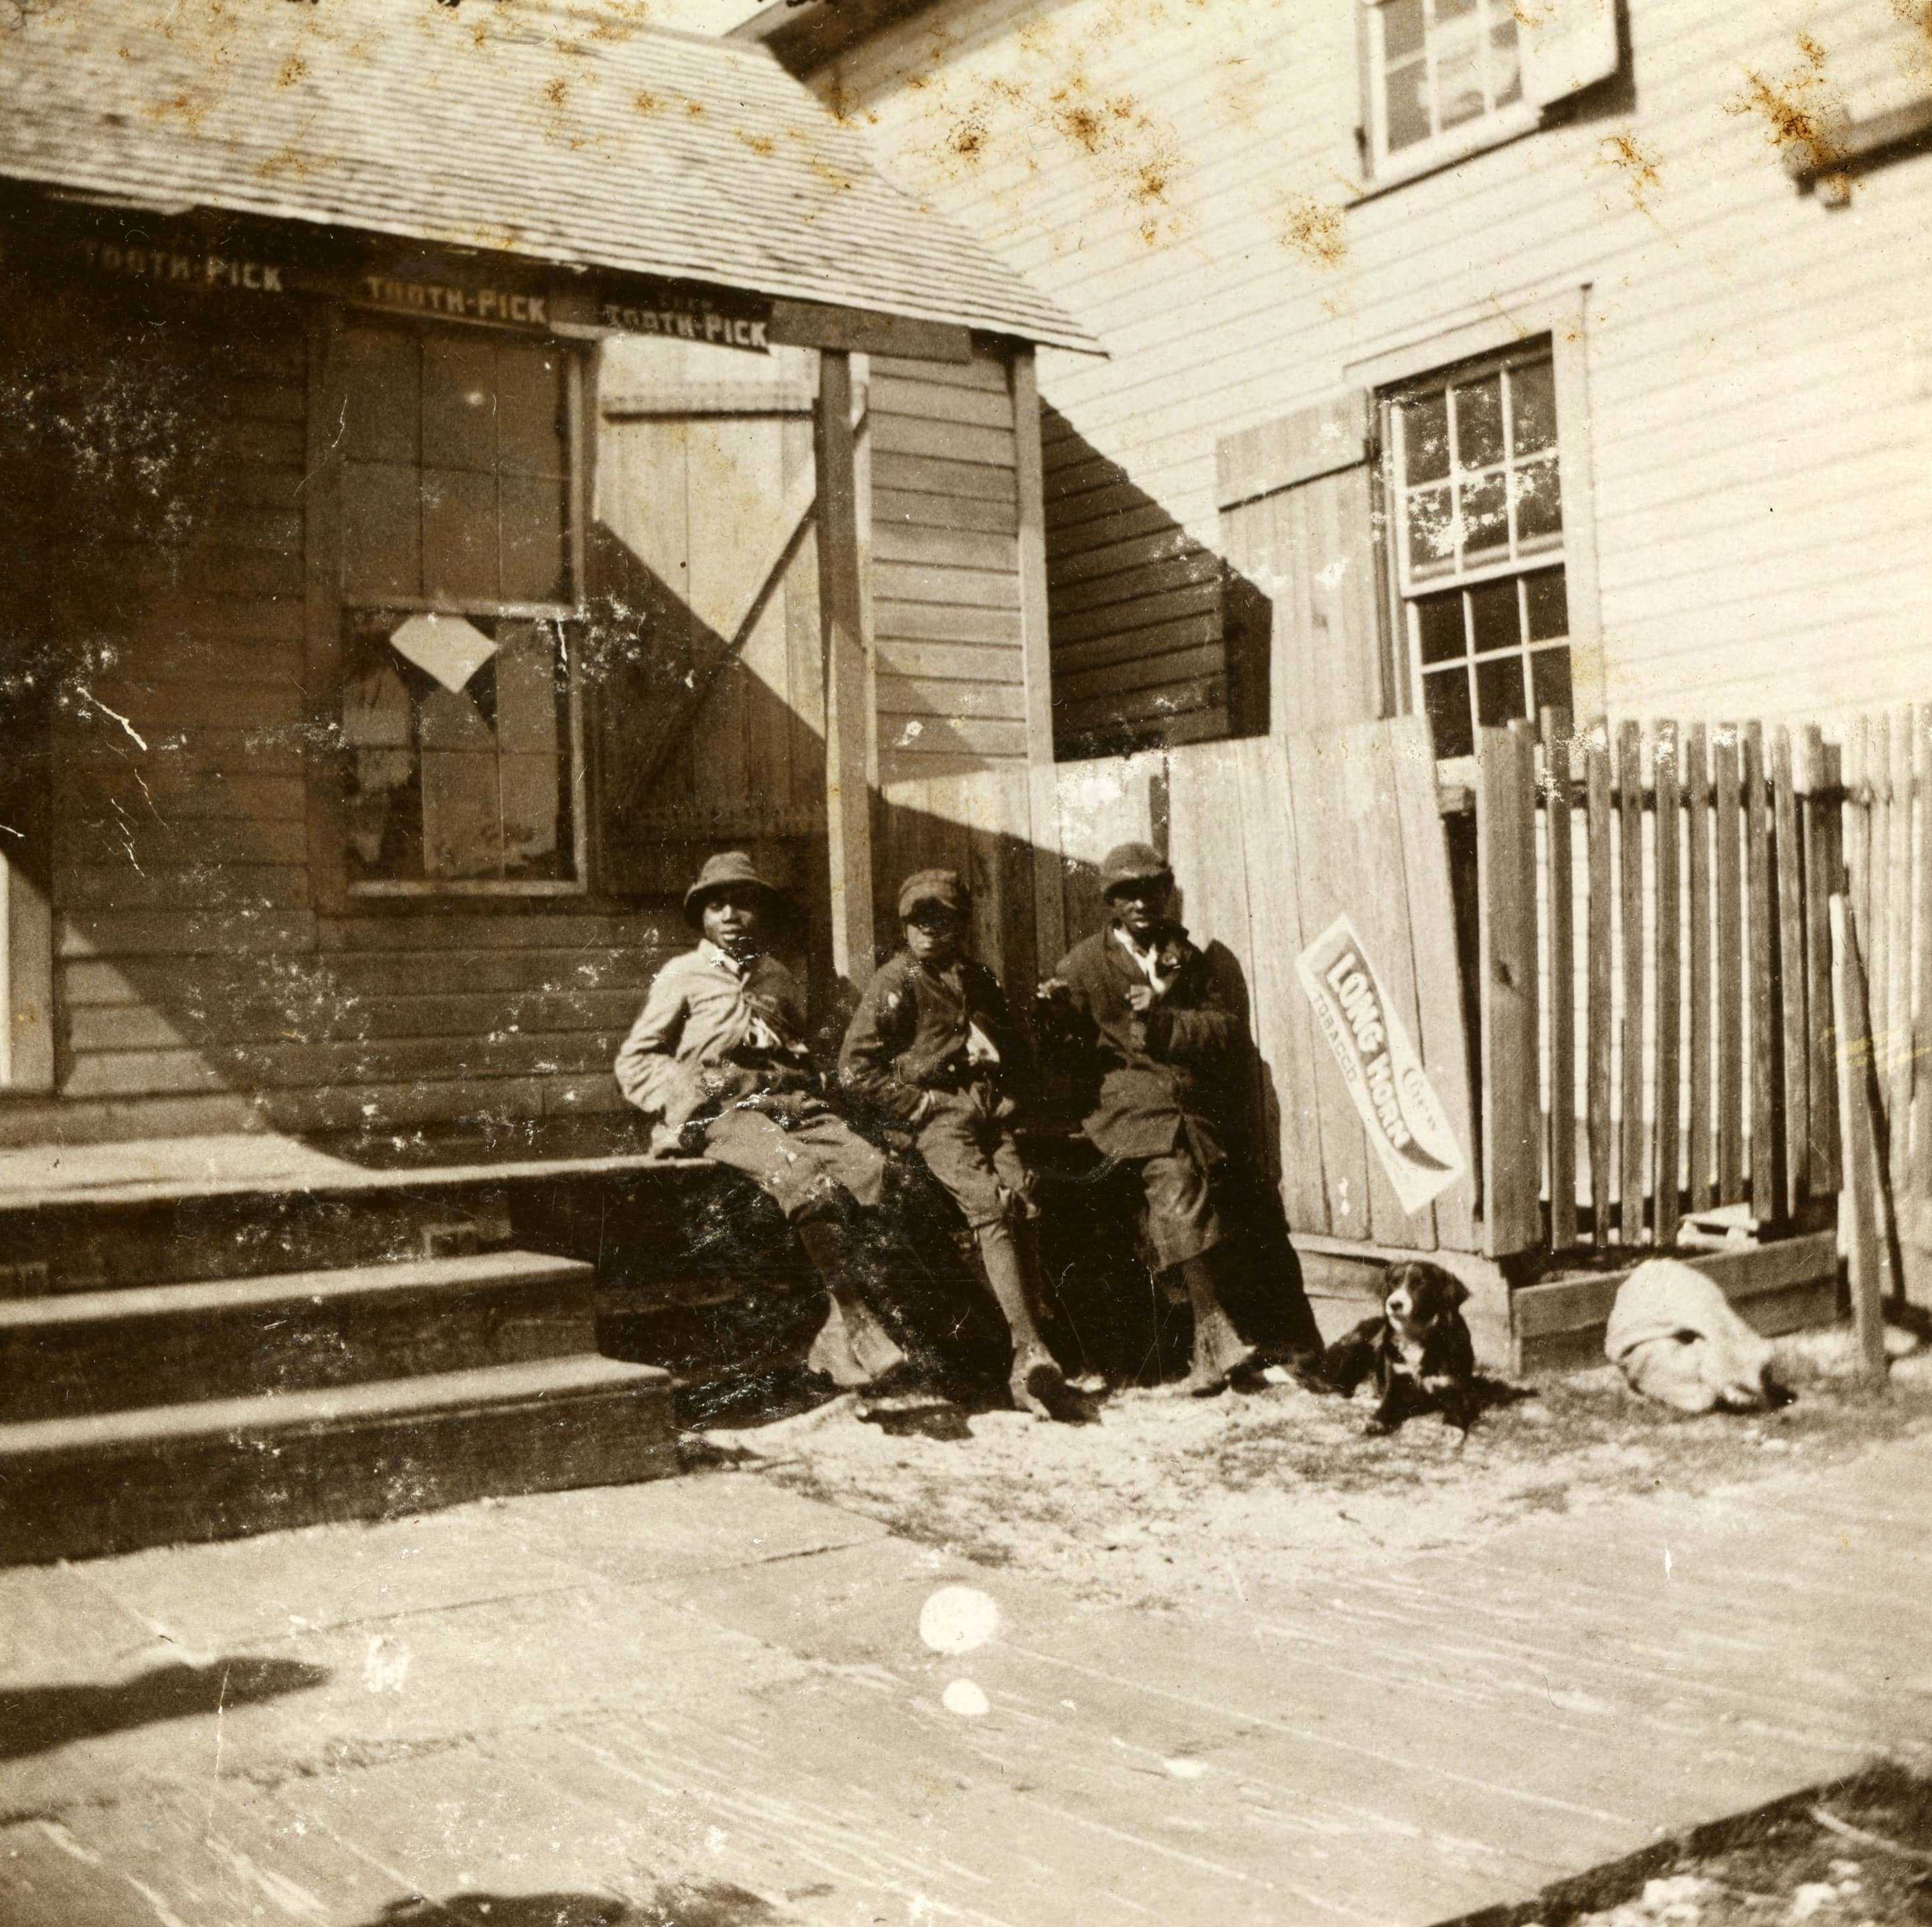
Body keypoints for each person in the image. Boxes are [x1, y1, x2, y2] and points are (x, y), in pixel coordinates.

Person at [614, 851, 906, 1392]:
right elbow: (636, 1058)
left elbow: (796, 1047)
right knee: (801, 1177)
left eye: (742, 905)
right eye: (717, 905)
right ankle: (856, 1318)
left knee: (873, 1173)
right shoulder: (684, 975)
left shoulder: (778, 977)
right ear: (702, 917)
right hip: (722, 1112)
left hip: (787, 1105)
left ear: (760, 915)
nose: (729, 915)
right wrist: (685, 1099)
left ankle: (833, 1334)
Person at [1036, 842, 1276, 1396]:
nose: (1142, 902)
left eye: (1151, 889)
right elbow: (1067, 1056)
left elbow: (1225, 1031)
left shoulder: (1192, 959)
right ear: (1111, 903)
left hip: (1188, 1106)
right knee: (1174, 1173)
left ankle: (1207, 1341)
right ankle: (1212, 1327)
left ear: (1167, 893)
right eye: (1127, 893)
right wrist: (1051, 1015)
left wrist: (1166, 1020)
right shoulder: (1082, 964)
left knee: (1195, 1172)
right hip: (1126, 1107)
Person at [839, 869, 1074, 1421]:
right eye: (917, 919)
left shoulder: (977, 978)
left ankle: (1028, 1366)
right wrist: (917, 1106)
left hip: (989, 1111)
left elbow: (1011, 1047)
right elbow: (853, 1071)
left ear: (960, 925)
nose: (927, 930)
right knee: (988, 1207)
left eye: (939, 918)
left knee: (1022, 1199)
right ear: (904, 925)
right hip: (937, 1116)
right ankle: (1028, 1351)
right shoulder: (894, 982)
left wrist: (1010, 1088)